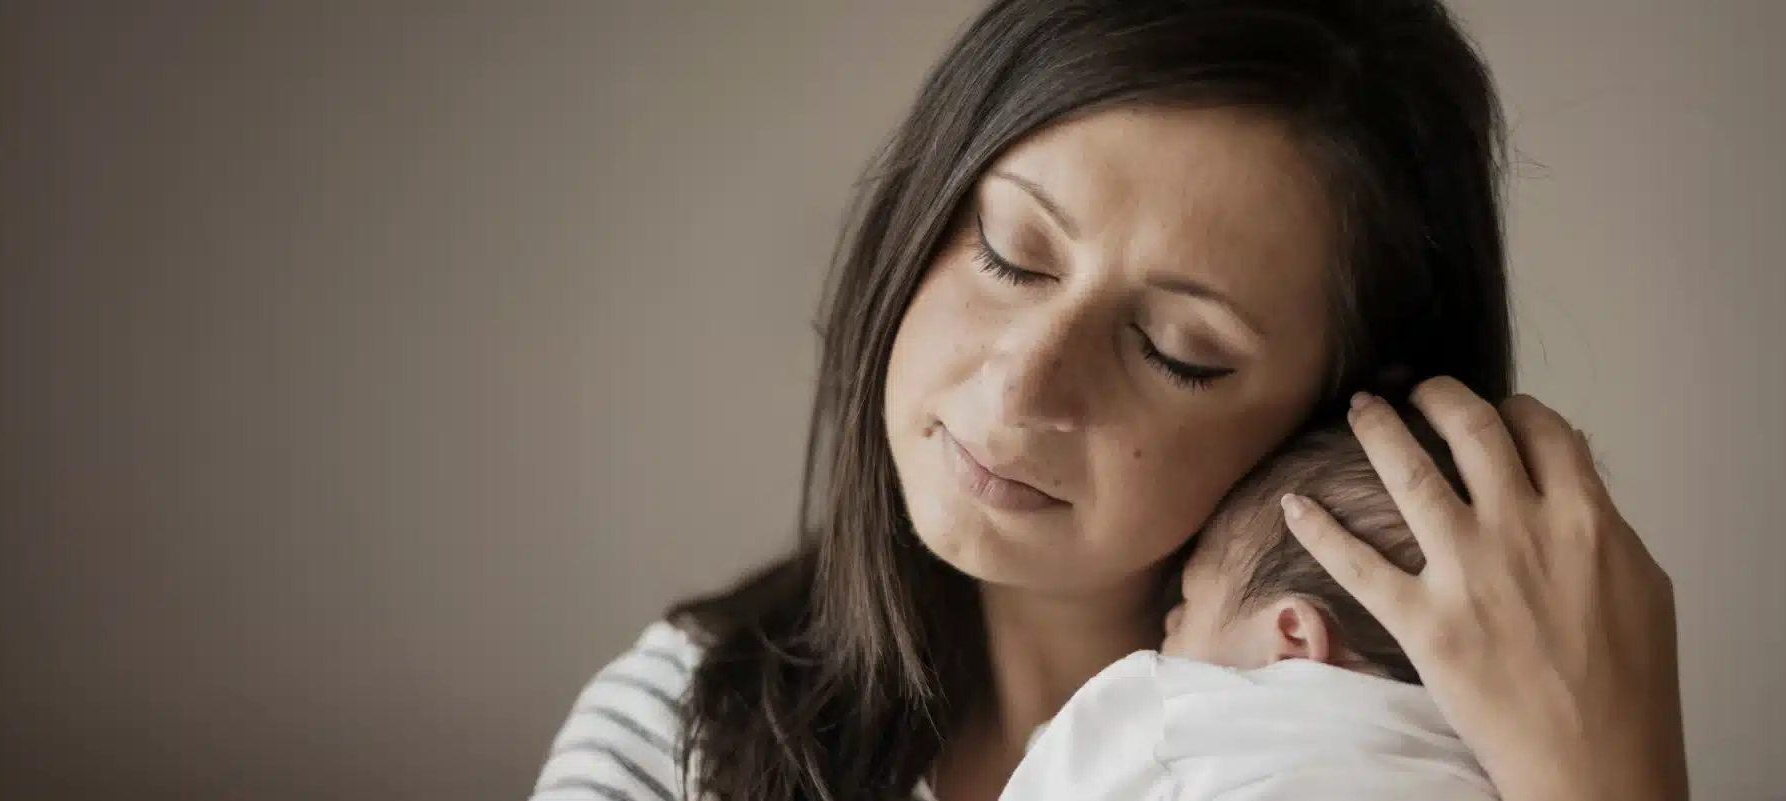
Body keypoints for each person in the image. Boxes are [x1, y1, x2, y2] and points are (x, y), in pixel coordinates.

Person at [530, 1, 1687, 800]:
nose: (1023, 385)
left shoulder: (1453, 765)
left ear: (1335, 412)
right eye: (1009, 251)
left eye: (1179, 352)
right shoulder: (684, 736)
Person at [998, 421, 1496, 801]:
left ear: (1294, 635)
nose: (1169, 624)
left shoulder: (1182, 712)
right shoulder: (1504, 767)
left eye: (1189, 602)